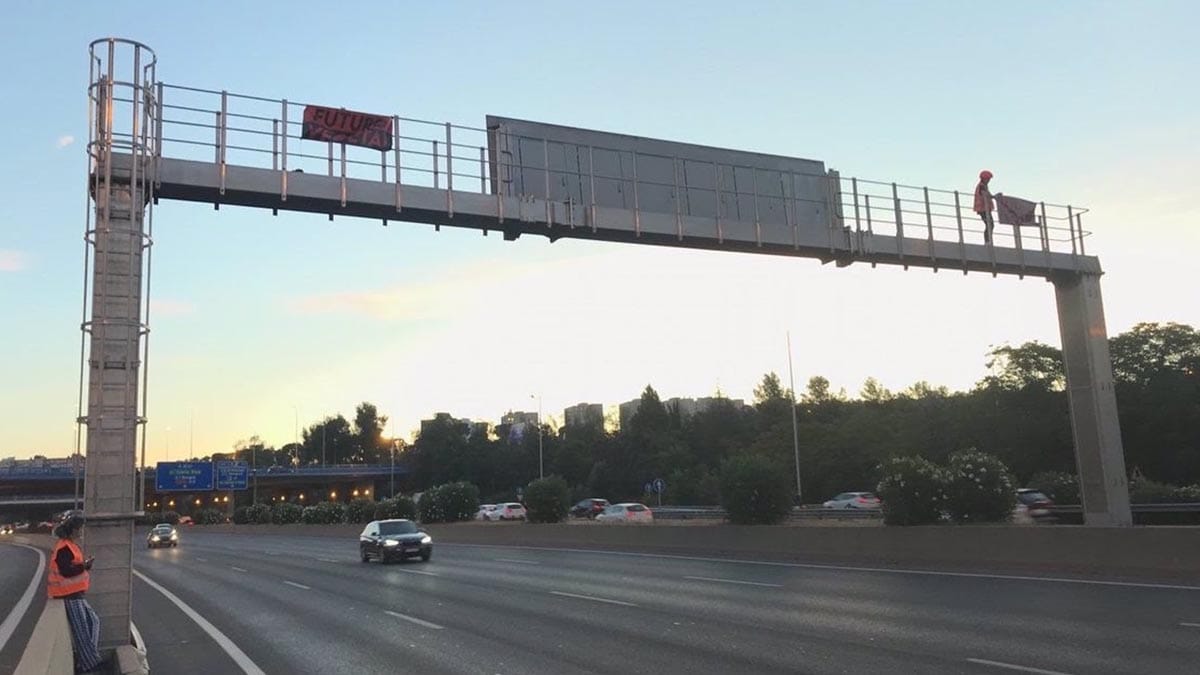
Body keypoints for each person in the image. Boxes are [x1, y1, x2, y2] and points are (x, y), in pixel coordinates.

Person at [48, 511, 104, 673]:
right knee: (82, 631)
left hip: (75, 592)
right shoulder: (64, 547)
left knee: (93, 622)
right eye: (79, 529)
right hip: (68, 594)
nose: (80, 531)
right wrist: (84, 566)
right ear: (72, 530)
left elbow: (73, 567)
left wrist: (84, 565)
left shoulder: (71, 545)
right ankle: (89, 665)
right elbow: (66, 570)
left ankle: (88, 659)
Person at [974, 170, 996, 243]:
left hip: (985, 208)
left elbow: (988, 195)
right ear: (984, 178)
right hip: (983, 209)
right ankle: (987, 241)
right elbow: (985, 195)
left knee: (990, 225)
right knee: (990, 224)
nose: (989, 180)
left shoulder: (983, 186)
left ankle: (988, 241)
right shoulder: (981, 186)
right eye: (988, 179)